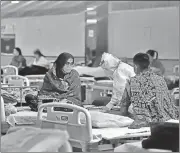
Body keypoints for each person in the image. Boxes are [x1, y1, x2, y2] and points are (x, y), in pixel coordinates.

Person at [119, 53, 179, 129]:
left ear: (135, 66)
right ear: (148, 65)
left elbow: (123, 109)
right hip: (169, 122)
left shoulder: (132, 82)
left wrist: (128, 116)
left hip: (146, 124)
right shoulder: (161, 80)